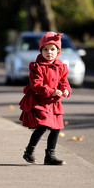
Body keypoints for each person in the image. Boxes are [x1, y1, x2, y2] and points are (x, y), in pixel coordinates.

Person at [19, 32, 72, 165]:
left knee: (56, 127)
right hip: (40, 101)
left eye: (53, 49)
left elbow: (64, 82)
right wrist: (52, 91)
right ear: (41, 50)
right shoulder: (36, 67)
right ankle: (29, 151)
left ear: (58, 51)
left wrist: (65, 90)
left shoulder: (62, 67)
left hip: (54, 103)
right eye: (45, 49)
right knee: (43, 126)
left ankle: (50, 156)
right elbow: (36, 85)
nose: (49, 52)